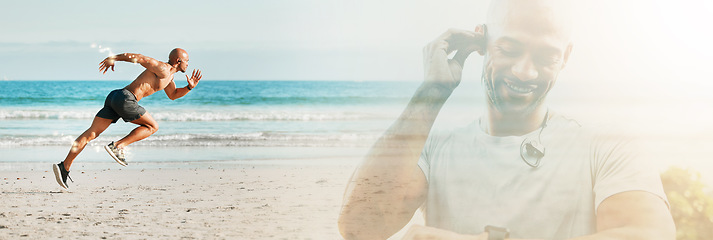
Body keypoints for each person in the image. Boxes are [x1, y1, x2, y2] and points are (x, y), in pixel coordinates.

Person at [338, 0, 675, 239]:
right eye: (510, 49)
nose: (524, 71)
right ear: (481, 41)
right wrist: (431, 93)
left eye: (546, 56)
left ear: (566, 57)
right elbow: (360, 226)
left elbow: (649, 233)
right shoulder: (434, 148)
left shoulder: (605, 146)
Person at [52, 48, 203, 190]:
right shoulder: (163, 68)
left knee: (91, 134)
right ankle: (118, 146)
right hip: (126, 98)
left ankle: (64, 166)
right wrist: (113, 58)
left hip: (116, 96)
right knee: (152, 127)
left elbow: (173, 95)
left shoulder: (169, 78)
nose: (188, 64)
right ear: (178, 61)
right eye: (187, 61)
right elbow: (139, 58)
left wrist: (189, 88)